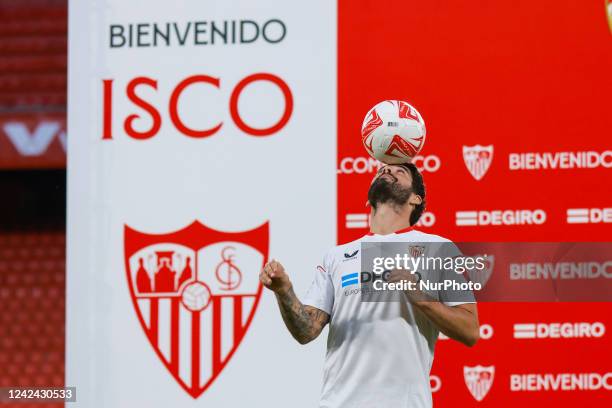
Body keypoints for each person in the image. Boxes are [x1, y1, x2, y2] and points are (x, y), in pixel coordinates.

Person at [259, 162, 479, 408]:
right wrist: (283, 290)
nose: (387, 171)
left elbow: (469, 330)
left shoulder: (440, 249)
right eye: (382, 170)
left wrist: (421, 297)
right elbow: (306, 330)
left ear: (416, 199)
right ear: (368, 200)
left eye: (400, 172)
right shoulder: (337, 256)